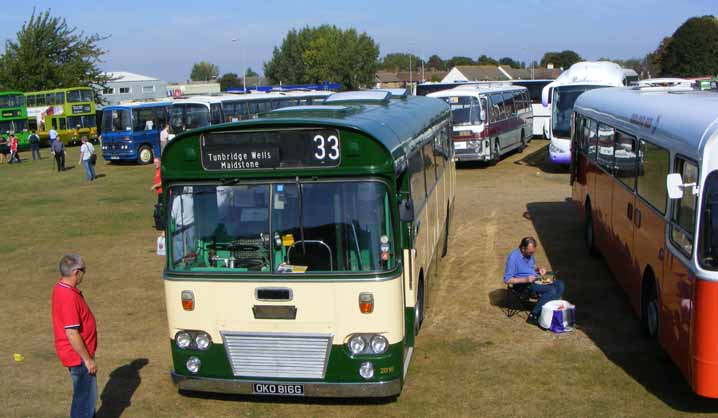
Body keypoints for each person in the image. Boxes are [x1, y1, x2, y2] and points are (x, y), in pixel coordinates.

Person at [51, 254, 98, 418]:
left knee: (83, 398)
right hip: (78, 357)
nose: (84, 274)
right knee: (85, 400)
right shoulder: (68, 297)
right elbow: (71, 332)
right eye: (84, 271)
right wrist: (87, 359)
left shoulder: (61, 287)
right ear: (76, 272)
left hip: (74, 355)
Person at [503, 237, 565, 324]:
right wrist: (525, 279)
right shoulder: (513, 258)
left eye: (533, 252)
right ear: (523, 248)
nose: (532, 254)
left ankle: (548, 310)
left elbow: (532, 266)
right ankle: (533, 315)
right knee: (551, 290)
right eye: (530, 252)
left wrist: (538, 269)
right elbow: (507, 279)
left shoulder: (528, 254)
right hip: (524, 286)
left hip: (536, 280)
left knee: (560, 284)